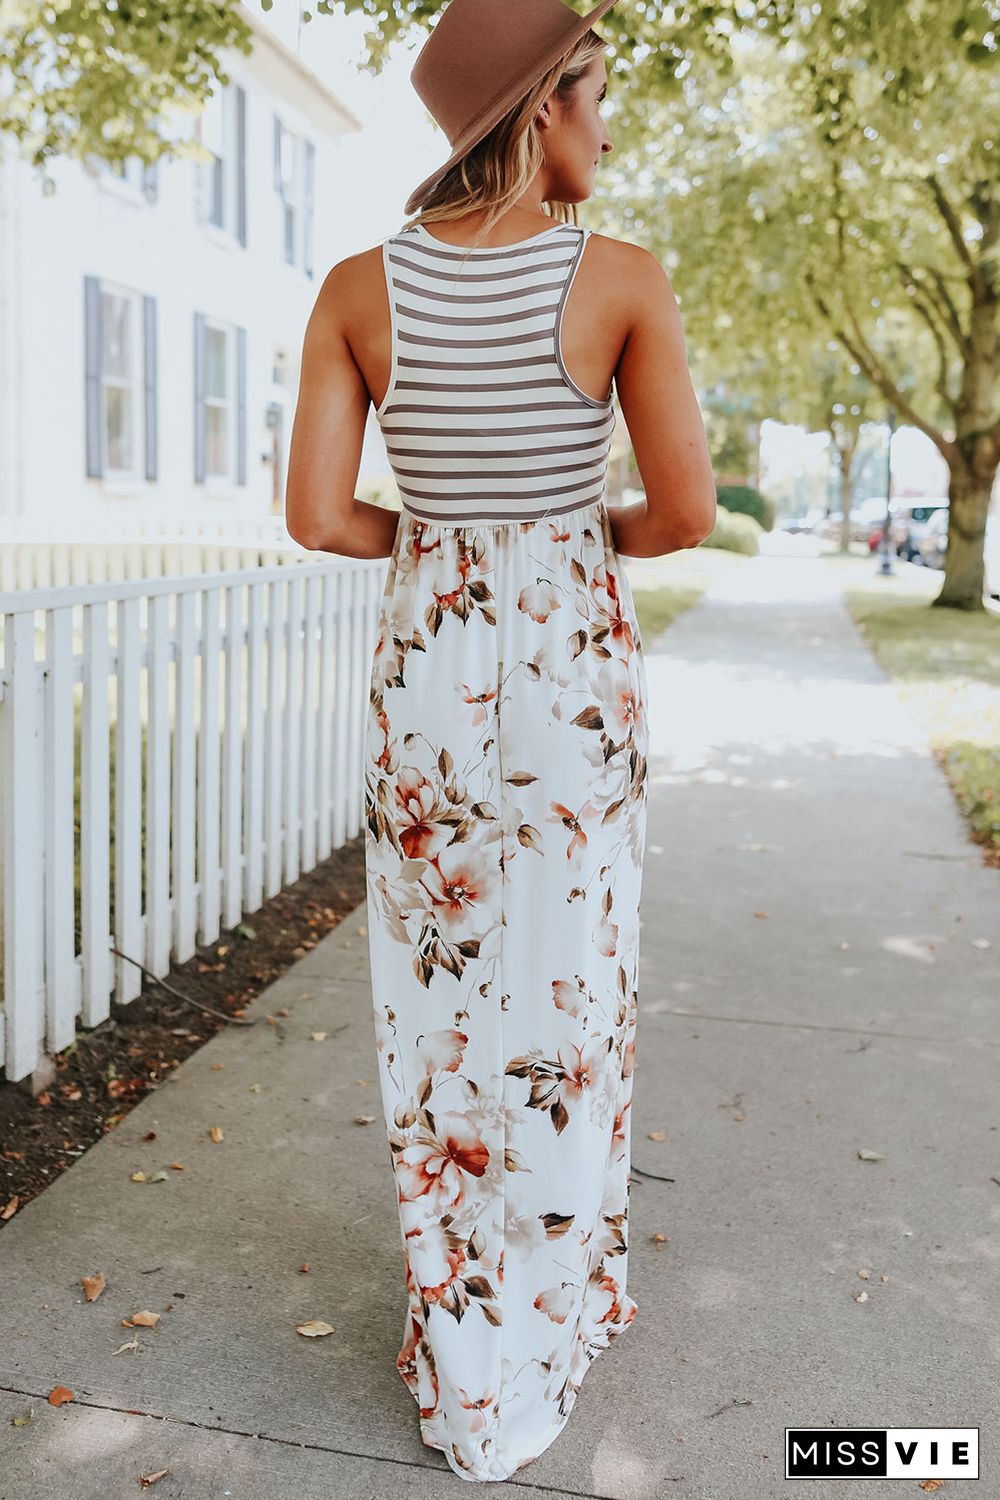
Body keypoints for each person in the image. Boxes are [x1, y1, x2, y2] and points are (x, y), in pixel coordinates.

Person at [285, 0, 716, 1480]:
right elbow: (680, 515)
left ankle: (463, 1348)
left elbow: (323, 517)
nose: (609, 126)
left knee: (440, 997)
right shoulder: (623, 283)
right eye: (597, 98)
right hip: (569, 669)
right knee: (567, 986)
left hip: (430, 664)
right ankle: (548, 1316)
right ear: (539, 110)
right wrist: (558, 537)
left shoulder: (357, 288)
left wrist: (451, 540)